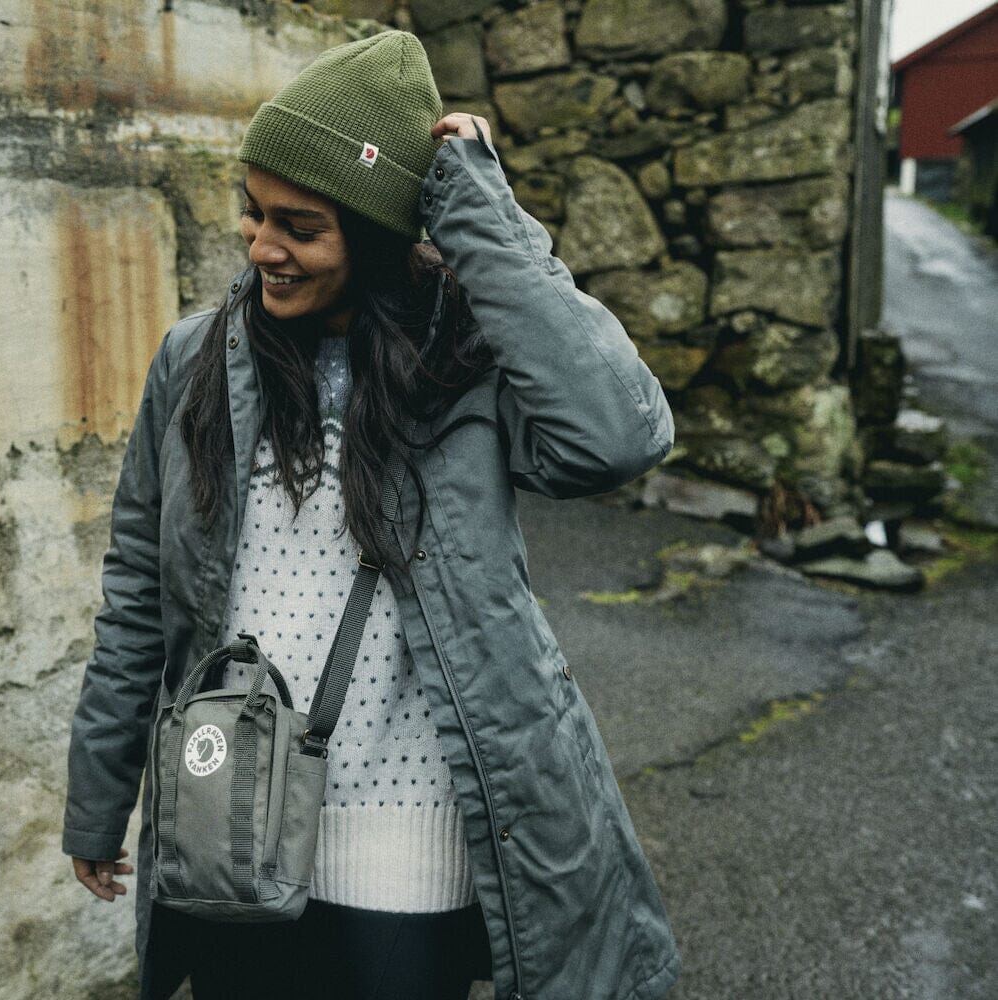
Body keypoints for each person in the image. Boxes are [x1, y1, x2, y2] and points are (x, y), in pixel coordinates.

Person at [63, 29, 681, 1000]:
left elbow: (617, 435)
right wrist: (99, 797)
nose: (263, 247)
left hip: (405, 850)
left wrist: (478, 208)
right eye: (254, 212)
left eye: (300, 226)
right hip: (230, 826)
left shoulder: (463, 361)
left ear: (376, 231)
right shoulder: (194, 361)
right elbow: (139, 592)